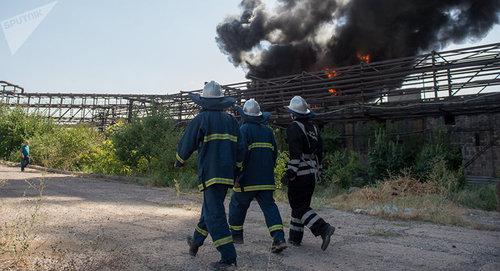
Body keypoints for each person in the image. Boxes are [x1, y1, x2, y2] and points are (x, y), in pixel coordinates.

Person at [174, 81, 239, 271]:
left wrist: (179, 160)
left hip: (210, 174)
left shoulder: (200, 119)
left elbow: (187, 143)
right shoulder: (232, 121)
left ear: (203, 101)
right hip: (227, 176)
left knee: (214, 215)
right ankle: (195, 242)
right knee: (209, 211)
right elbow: (241, 149)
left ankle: (228, 258)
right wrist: (238, 170)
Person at [228, 99, 287, 254]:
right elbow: (274, 154)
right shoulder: (268, 131)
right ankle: (279, 238)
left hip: (246, 180)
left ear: (245, 115)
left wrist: (236, 174)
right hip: (266, 180)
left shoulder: (243, 129)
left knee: (237, 205)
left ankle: (236, 236)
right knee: (270, 208)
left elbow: (239, 154)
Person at [281, 96, 335, 251]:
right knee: (302, 206)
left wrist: (290, 172)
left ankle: (323, 228)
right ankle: (295, 238)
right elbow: (320, 152)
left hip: (300, 175)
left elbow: (295, 154)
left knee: (298, 206)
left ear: (293, 113)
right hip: (311, 173)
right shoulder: (314, 128)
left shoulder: (293, 128)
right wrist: (319, 170)